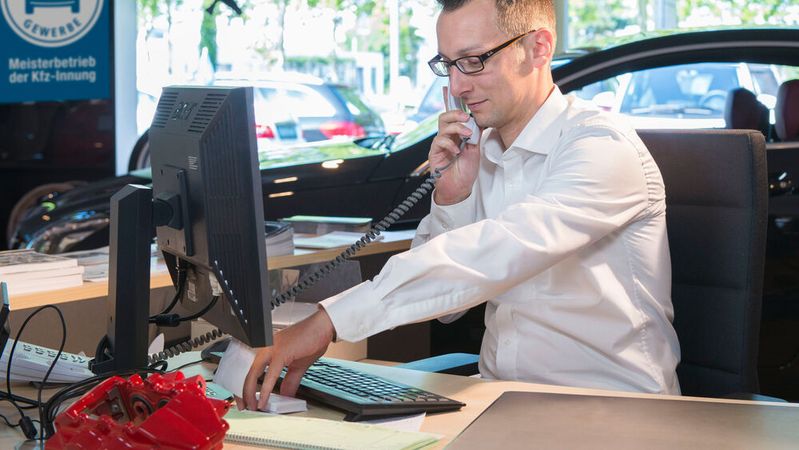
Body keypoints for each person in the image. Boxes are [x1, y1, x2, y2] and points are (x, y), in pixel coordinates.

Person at [241, 0, 681, 411]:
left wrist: (329, 320)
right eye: (448, 65)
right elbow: (448, 307)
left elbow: (495, 253)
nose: (457, 86)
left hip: (611, 408)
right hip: (503, 398)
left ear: (538, 48)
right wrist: (453, 197)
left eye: (473, 61)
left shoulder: (600, 147)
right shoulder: (481, 152)